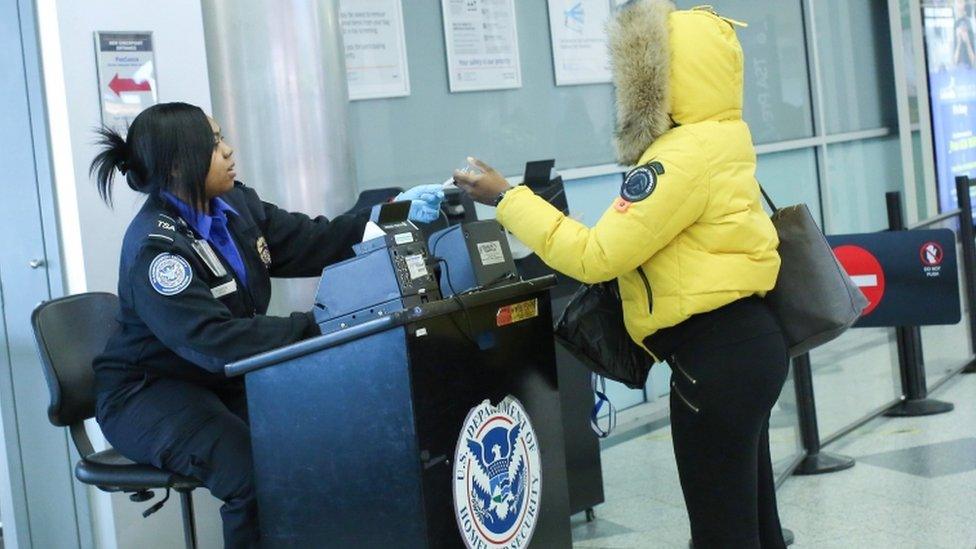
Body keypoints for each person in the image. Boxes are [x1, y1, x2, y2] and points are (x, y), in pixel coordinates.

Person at [453, 3, 789, 548]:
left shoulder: (677, 158)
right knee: (753, 522)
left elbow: (596, 256)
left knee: (720, 532)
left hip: (714, 362)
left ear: (661, 78)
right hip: (750, 347)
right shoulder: (724, 135)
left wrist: (507, 199)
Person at [90, 102, 442, 548]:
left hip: (217, 379)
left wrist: (387, 217)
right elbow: (215, 340)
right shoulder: (157, 251)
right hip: (149, 392)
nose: (230, 150)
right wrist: (322, 326)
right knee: (253, 474)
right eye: (216, 143)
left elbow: (309, 240)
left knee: (323, 437)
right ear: (179, 164)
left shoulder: (234, 205)